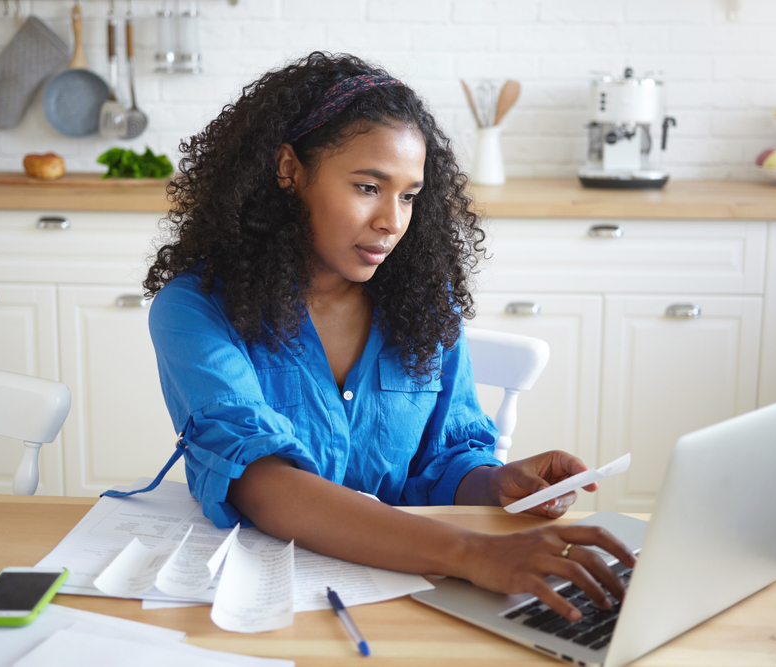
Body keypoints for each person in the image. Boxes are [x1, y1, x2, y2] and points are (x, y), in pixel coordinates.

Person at [141, 52, 636, 622]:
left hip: (416, 595)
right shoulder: (196, 308)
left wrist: (498, 483)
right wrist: (475, 553)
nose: (392, 221)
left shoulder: (424, 306)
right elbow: (263, 485)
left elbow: (445, 462)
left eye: (408, 195)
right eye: (368, 186)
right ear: (289, 169)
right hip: (267, 604)